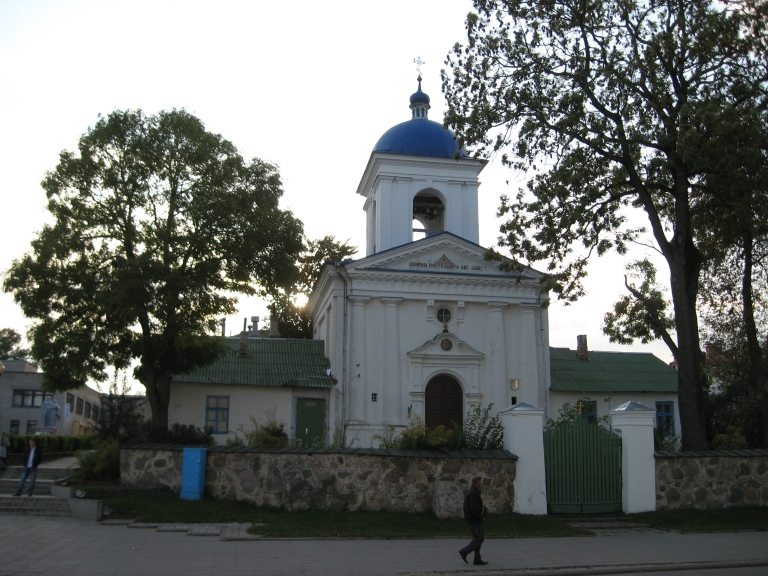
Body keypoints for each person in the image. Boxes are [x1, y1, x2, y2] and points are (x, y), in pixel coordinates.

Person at [459, 475, 488, 565]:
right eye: (481, 482)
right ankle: (464, 551)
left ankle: (477, 558)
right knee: (480, 538)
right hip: (474, 519)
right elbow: (474, 508)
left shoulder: (473, 491)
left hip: (472, 518)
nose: (482, 483)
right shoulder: (473, 493)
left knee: (477, 537)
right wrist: (480, 517)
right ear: (477, 483)